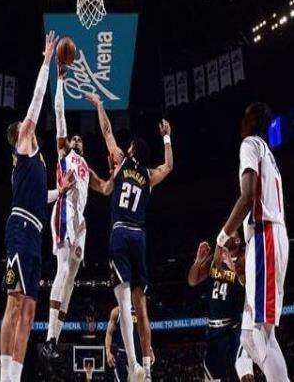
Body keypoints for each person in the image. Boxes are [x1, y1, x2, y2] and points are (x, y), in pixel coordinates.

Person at [0, 31, 75, 382]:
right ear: (19, 134)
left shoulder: (35, 160)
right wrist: (46, 63)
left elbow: (39, 196)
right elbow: (36, 102)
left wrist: (60, 191)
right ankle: (4, 377)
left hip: (36, 229)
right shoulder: (24, 143)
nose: (27, 123)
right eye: (23, 125)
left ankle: (15, 377)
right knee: (14, 303)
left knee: (30, 309)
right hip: (19, 227)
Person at [87, 92, 173, 382]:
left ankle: (134, 365)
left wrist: (100, 106)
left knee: (123, 302)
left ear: (131, 150)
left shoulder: (122, 162)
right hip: (140, 237)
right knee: (141, 306)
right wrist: (167, 138)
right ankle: (147, 372)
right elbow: (169, 166)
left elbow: (107, 131)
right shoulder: (148, 175)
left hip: (121, 233)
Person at [213, 103, 289, 381]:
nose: (241, 120)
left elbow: (247, 197)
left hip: (266, 236)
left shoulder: (250, 144)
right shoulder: (269, 155)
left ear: (253, 119)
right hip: (267, 236)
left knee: (260, 334)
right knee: (248, 335)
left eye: (245, 115)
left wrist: (222, 238)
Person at [41, 58, 92, 361]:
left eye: (79, 139)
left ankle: (55, 340)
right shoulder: (65, 155)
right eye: (74, 138)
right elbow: (60, 115)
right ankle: (48, 336)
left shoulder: (86, 167)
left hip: (80, 222)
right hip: (63, 213)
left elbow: (105, 187)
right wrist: (60, 81)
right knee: (62, 270)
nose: (76, 139)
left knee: (72, 280)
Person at [188, 240, 255, 381]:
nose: (227, 234)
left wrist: (232, 266)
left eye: (231, 233)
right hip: (214, 330)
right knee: (211, 378)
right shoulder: (214, 259)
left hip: (233, 329)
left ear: (238, 240)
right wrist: (198, 261)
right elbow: (192, 281)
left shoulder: (243, 258)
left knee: (245, 371)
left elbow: (248, 285)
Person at [106, 306, 155, 382]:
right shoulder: (117, 311)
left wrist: (150, 349)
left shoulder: (140, 311)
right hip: (123, 355)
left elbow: (144, 333)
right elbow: (109, 333)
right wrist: (108, 352)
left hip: (139, 353)